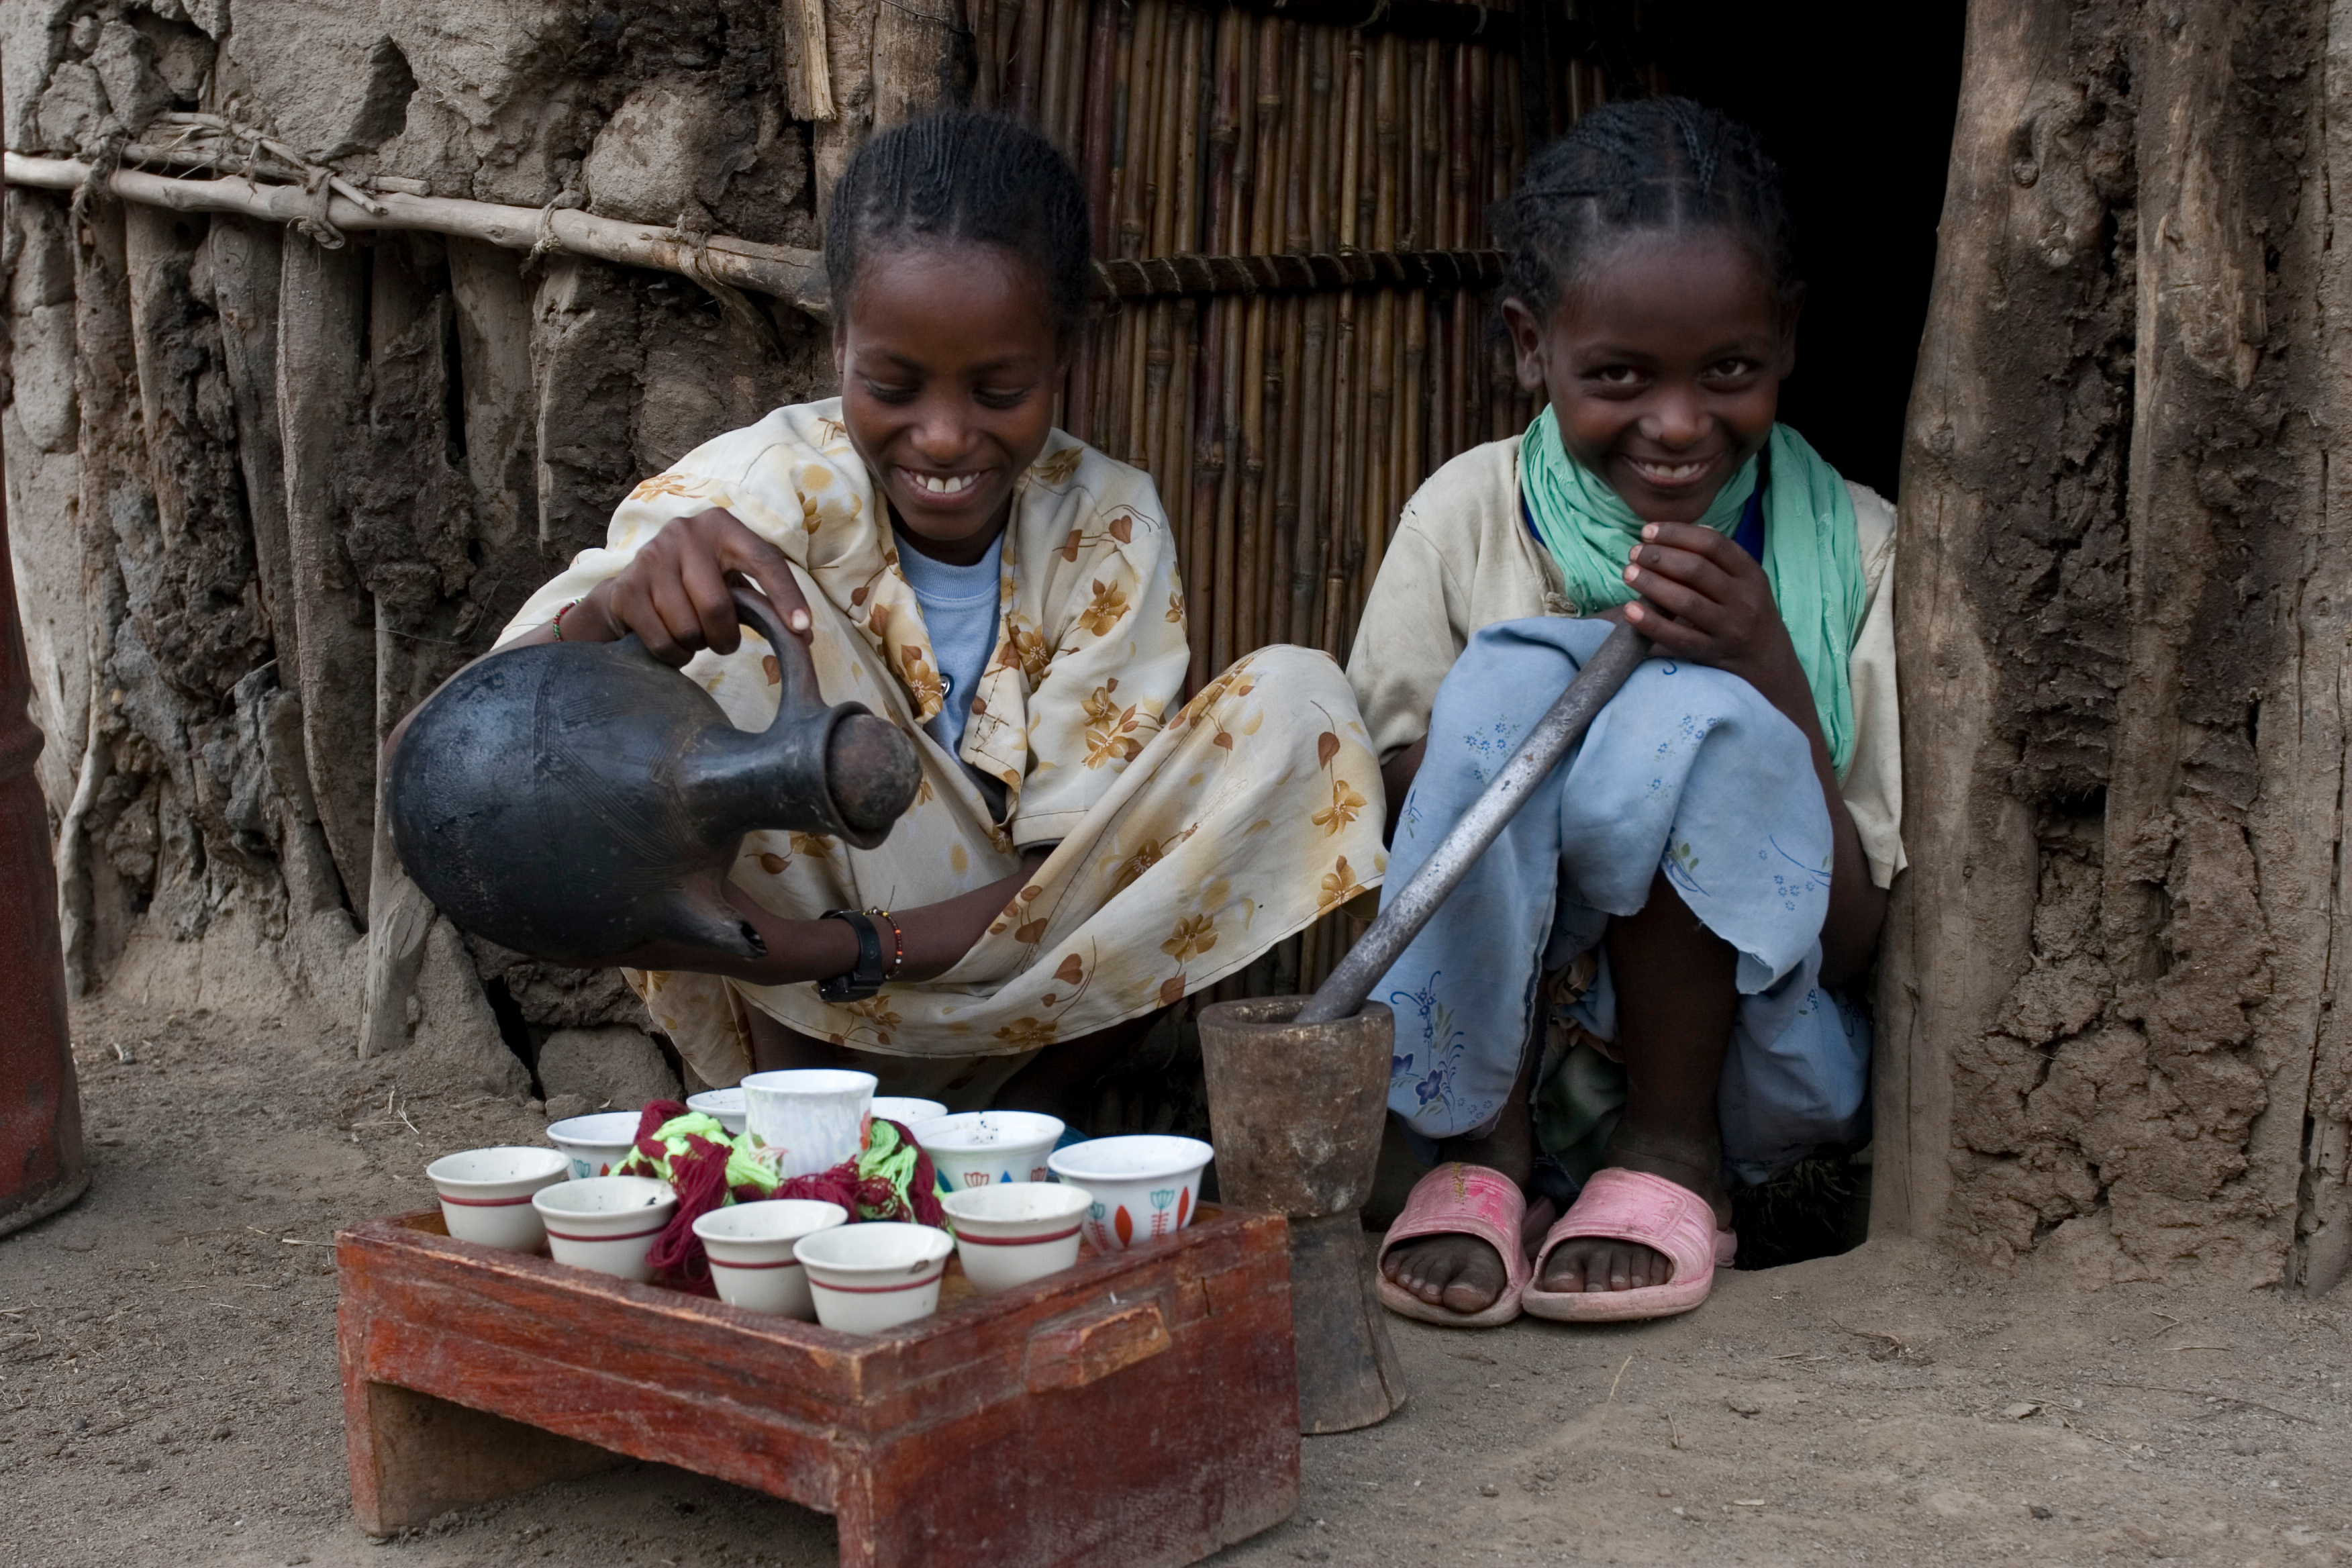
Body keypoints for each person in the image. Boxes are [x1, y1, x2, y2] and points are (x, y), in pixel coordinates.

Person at [471, 112, 1385, 1118]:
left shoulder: (1110, 525)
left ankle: (1017, 1139)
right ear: (838, 344)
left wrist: (856, 948)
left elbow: (1072, 882)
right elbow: (446, 754)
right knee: (737, 638)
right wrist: (612, 612)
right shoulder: (763, 486)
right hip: (795, 997)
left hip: (1032, 998)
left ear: (1064, 357)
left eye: (1000, 390)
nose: (944, 438)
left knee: (1303, 703)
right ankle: (801, 1123)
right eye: (893, 386)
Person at [1346, 98, 1902, 1326]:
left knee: (1697, 720)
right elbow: (1397, 818)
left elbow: (1862, 933)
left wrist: (1762, 668)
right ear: (1528, 347)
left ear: (1790, 337)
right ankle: (1483, 1158)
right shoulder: (1469, 517)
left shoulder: (1852, 548)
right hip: (1502, 1028)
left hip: (1751, 1058)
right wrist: (1575, 695)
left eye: (1730, 371)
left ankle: (1669, 1156)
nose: (1677, 422)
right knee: (1511, 678)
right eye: (1617, 376)